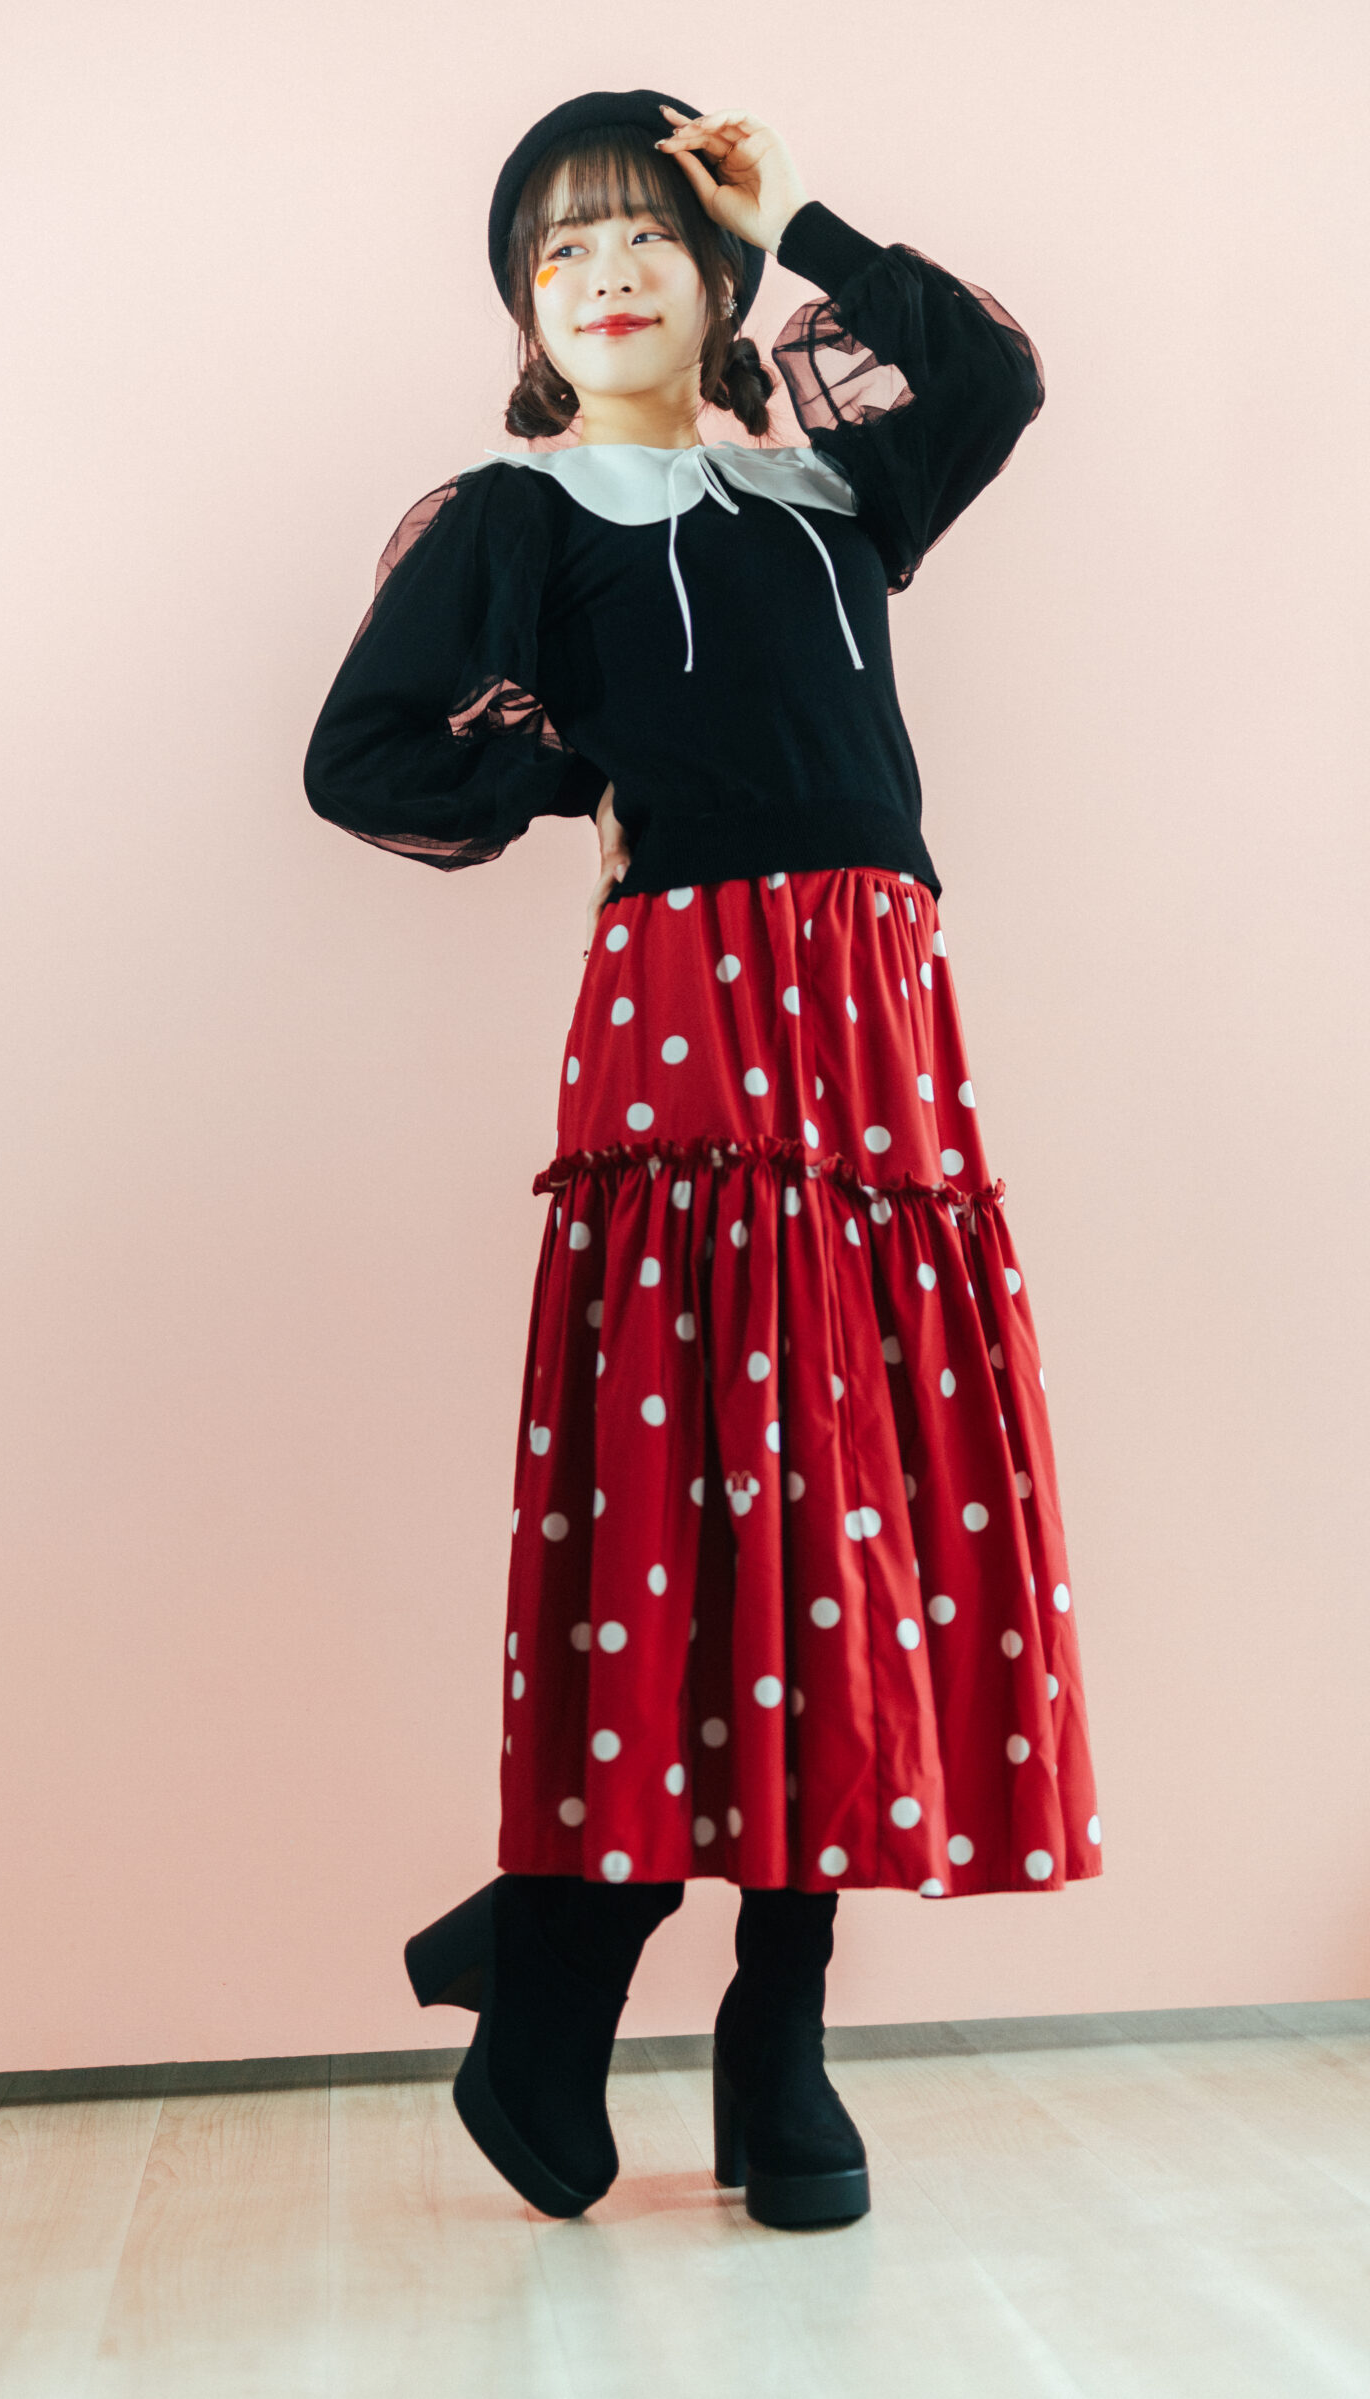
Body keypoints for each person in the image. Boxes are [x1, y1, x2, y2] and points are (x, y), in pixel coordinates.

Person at [304, 88, 1102, 2232]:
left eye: (645, 233)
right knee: (708, 1495)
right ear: (522, 308)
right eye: (557, 250)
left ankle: (770, 2019)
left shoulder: (828, 486)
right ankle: (582, 1950)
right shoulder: (516, 511)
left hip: (877, 1027)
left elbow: (989, 371)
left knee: (852, 1500)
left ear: (720, 275)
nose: (604, 273)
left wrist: (802, 209)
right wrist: (582, 776)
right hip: (691, 1018)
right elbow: (361, 757)